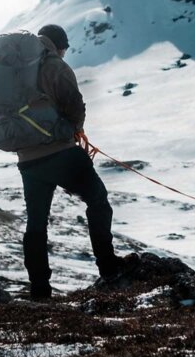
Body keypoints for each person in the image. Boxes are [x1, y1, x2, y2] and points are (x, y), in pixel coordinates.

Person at [17, 24, 136, 299]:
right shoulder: (55, 65)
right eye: (65, 48)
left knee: (36, 223)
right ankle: (108, 267)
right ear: (59, 46)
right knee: (98, 200)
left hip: (27, 160)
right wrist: (74, 131)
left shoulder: (18, 68)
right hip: (60, 152)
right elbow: (75, 106)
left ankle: (39, 290)